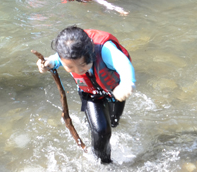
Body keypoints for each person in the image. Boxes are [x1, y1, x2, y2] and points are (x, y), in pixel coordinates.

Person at [36, 26, 135, 164]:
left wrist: (127, 83)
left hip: (115, 90)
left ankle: (103, 123)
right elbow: (57, 59)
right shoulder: (66, 54)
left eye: (83, 65)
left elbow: (123, 64)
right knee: (101, 131)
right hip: (90, 94)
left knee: (114, 121)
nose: (79, 71)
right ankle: (103, 163)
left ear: (91, 53)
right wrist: (48, 64)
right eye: (70, 67)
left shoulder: (105, 50)